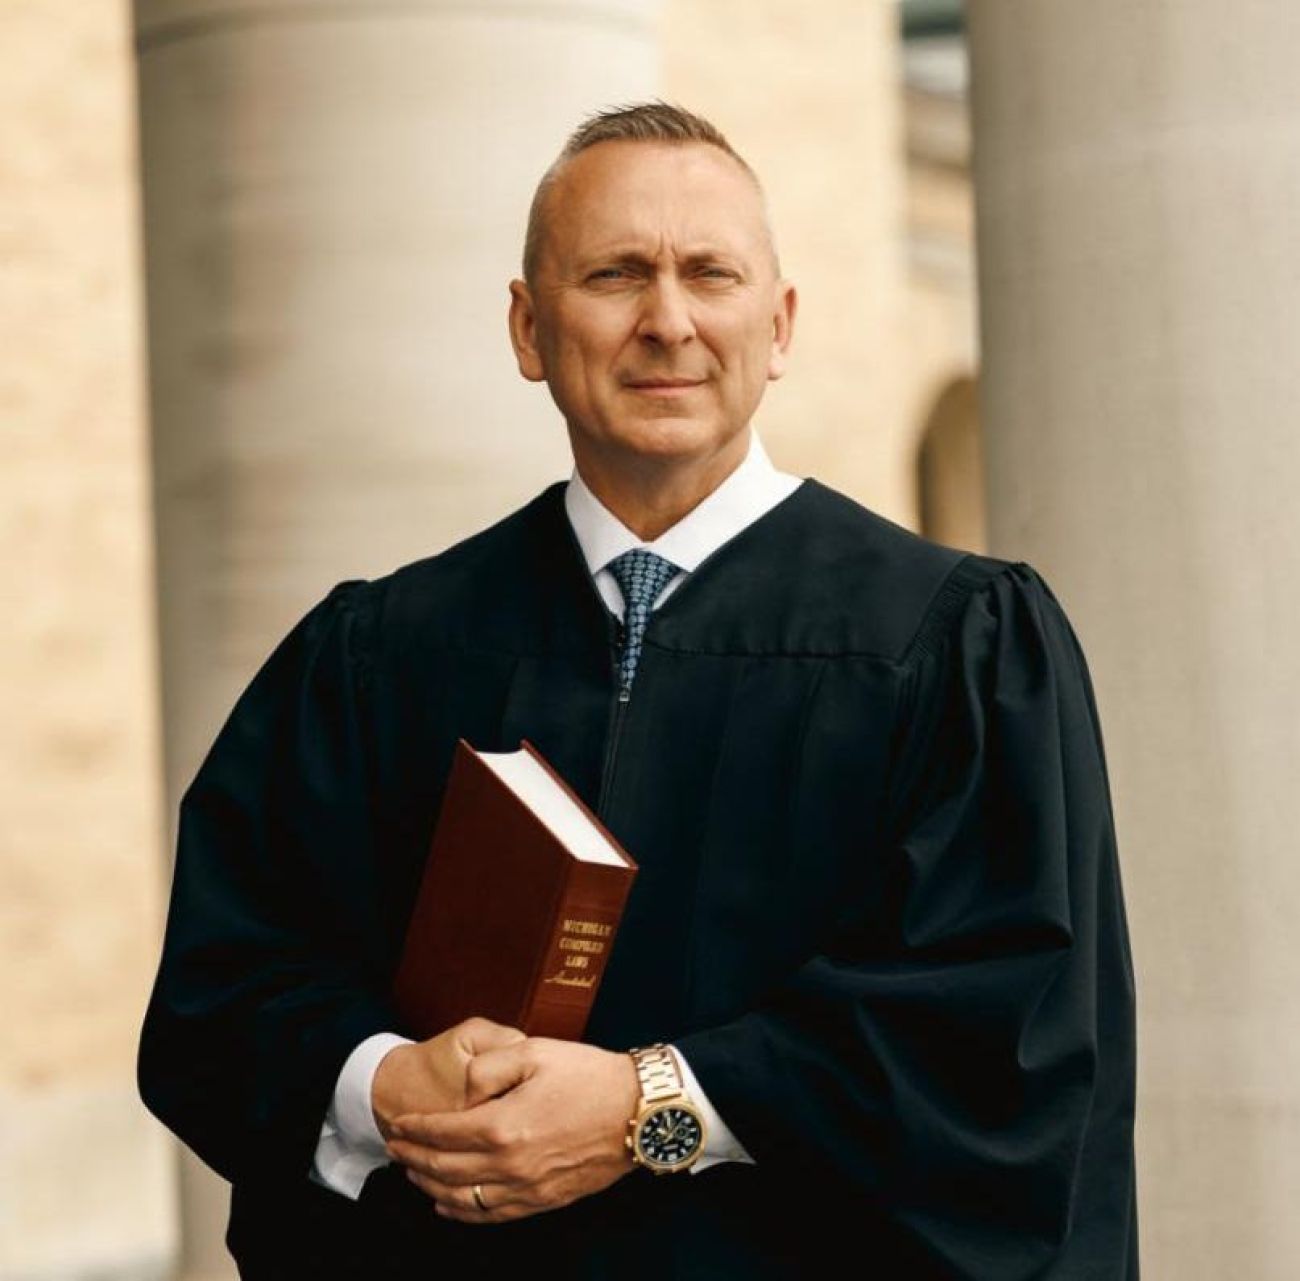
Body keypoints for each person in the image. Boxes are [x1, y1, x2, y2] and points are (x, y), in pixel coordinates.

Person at [138, 103, 1139, 1279]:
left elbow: (1005, 1035)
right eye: (614, 274)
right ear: (527, 326)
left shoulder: (955, 643)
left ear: (778, 325)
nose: (667, 321)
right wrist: (379, 1083)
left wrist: (646, 1107)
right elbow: (228, 989)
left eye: (708, 273)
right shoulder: (380, 653)